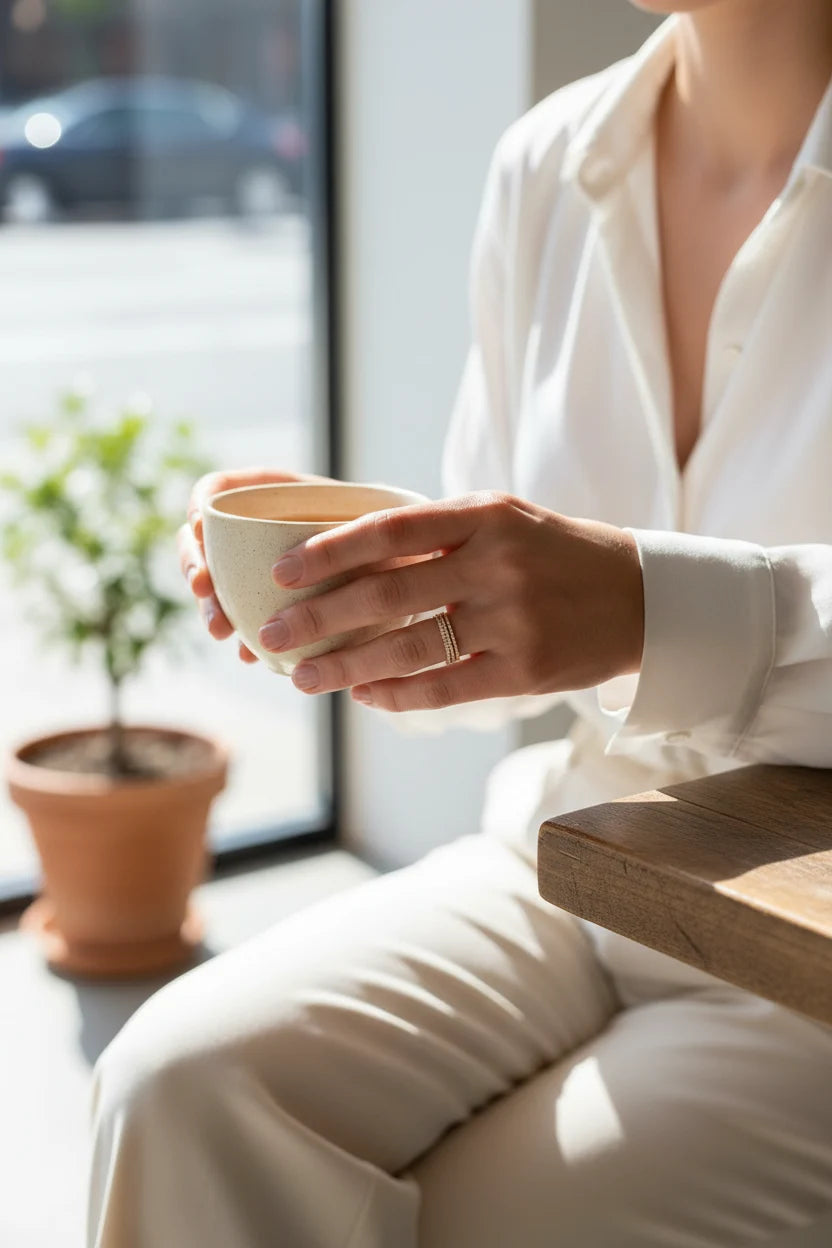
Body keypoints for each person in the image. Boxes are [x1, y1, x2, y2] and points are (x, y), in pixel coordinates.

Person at [88, 2, 832, 1244]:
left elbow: (620, 607)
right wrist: (363, 591)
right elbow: (506, 665)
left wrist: (654, 608)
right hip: (569, 856)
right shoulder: (548, 160)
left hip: (801, 963)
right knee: (176, 1086)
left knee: (474, 1217)